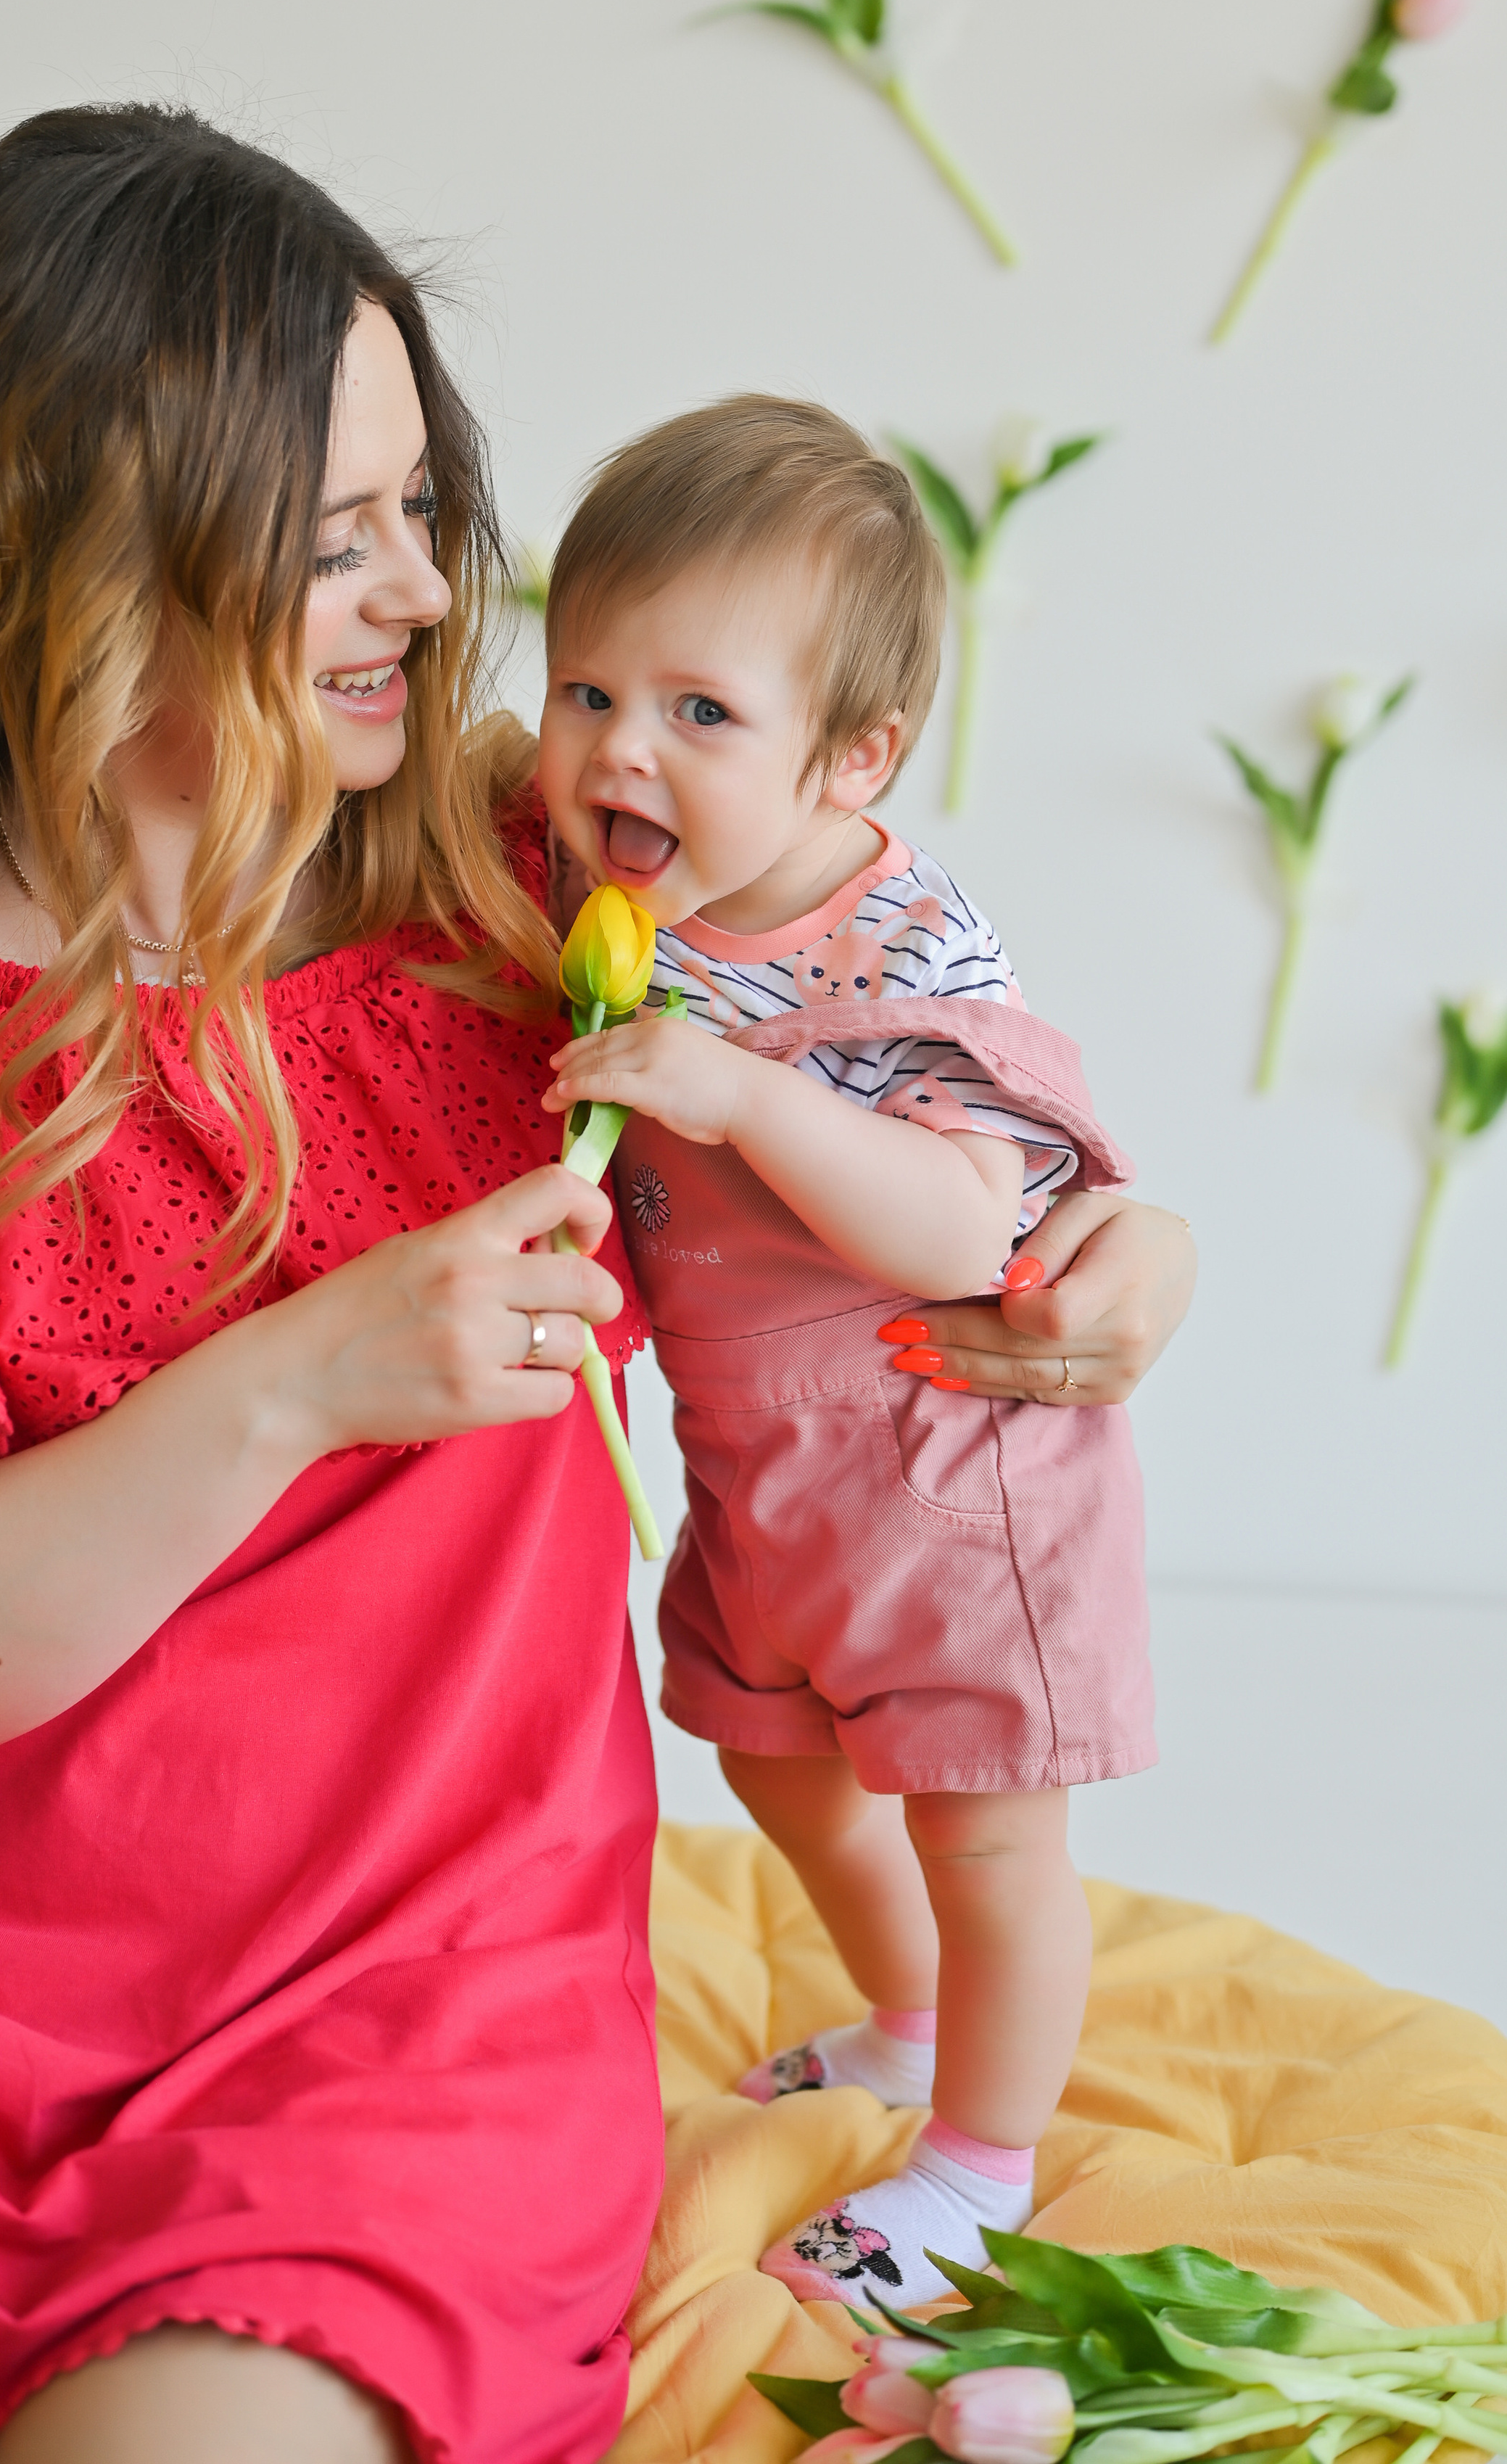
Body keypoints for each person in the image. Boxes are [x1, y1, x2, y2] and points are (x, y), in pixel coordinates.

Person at [0, 112, 1193, 2463]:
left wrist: (1129, 1232)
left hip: (390, 2036)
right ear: (82, 559)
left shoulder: (528, 886)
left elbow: (910, 1037)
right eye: (329, 534)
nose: (421, 596)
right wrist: (291, 1384)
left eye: (416, 513)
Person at [538, 398, 1184, 2311]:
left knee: (986, 1835)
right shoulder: (627, 906)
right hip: (780, 1485)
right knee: (791, 1773)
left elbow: (965, 1226)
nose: (616, 747)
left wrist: (738, 1091)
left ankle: (980, 2164)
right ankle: (905, 2019)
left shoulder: (896, 947)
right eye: (582, 687)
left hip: (952, 1484)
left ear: (857, 755)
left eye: (698, 711)